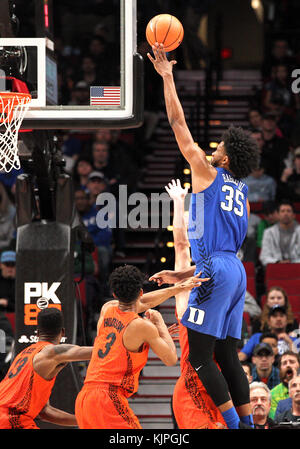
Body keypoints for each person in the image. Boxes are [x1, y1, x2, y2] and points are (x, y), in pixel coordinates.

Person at [148, 43, 260, 429]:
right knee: (228, 356)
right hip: (234, 269)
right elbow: (217, 243)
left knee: (199, 356)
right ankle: (246, 424)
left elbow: (179, 125)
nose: (215, 147)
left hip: (217, 267)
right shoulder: (240, 189)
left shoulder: (208, 172)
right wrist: (183, 276)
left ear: (225, 158)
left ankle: (232, 426)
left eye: (221, 146)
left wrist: (167, 77)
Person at [75, 264, 206, 429]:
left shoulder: (107, 309)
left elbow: (142, 303)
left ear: (115, 294)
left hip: (85, 396)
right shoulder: (141, 326)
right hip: (108, 397)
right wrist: (159, 324)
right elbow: (171, 359)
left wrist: (178, 288)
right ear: (141, 291)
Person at [166, 179, 227, 429]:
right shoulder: (185, 304)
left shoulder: (223, 284)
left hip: (221, 386)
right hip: (192, 388)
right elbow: (180, 246)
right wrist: (179, 203)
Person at [0, 307, 92, 429]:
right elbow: (98, 352)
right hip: (11, 420)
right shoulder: (50, 352)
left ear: (37, 333)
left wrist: (86, 421)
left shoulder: (23, 354)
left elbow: (44, 413)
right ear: (63, 332)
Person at [259, 200, 300, 265]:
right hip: (276, 268)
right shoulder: (269, 232)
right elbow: (264, 256)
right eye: (282, 211)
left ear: (294, 215)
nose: (285, 214)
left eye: (288, 211)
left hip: (297, 268)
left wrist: (291, 263)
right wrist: (278, 262)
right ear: (278, 214)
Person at [270, 351, 300, 419]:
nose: (288, 365)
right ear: (280, 369)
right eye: (284, 363)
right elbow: (277, 420)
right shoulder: (273, 394)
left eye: (292, 362)